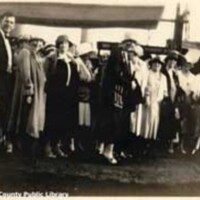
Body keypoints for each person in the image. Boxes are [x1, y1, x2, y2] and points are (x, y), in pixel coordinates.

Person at [44, 35, 79, 158]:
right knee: (51, 120)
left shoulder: (71, 60)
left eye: (66, 44)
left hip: (67, 96)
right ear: (57, 45)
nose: (64, 46)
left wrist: (76, 59)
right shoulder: (52, 59)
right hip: (54, 95)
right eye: (61, 44)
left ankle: (56, 146)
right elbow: (46, 75)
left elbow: (82, 76)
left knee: (62, 122)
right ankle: (47, 147)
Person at [140, 56, 168, 153]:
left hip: (158, 101)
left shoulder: (163, 77)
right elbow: (144, 87)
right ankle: (143, 142)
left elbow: (165, 91)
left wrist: (163, 97)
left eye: (159, 64)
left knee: (155, 121)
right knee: (147, 120)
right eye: (155, 63)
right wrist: (146, 97)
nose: (157, 65)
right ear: (151, 64)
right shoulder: (148, 74)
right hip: (149, 100)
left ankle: (151, 142)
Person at [158, 50, 181, 154]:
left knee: (173, 122)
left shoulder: (175, 74)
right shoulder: (162, 72)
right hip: (164, 99)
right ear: (167, 61)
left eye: (174, 62)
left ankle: (170, 145)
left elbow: (177, 88)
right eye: (170, 61)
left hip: (173, 99)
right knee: (163, 121)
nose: (172, 63)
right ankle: (160, 145)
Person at [76, 42, 96, 152]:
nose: (89, 56)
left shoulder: (87, 64)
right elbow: (83, 78)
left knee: (85, 121)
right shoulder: (78, 63)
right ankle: (77, 143)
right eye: (87, 54)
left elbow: (91, 77)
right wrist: (90, 78)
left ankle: (82, 143)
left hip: (87, 95)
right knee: (79, 119)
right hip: (81, 94)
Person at [0, 12, 16, 150]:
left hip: (5, 81)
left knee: (3, 109)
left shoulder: (8, 40)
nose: (9, 25)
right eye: (7, 21)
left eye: (11, 22)